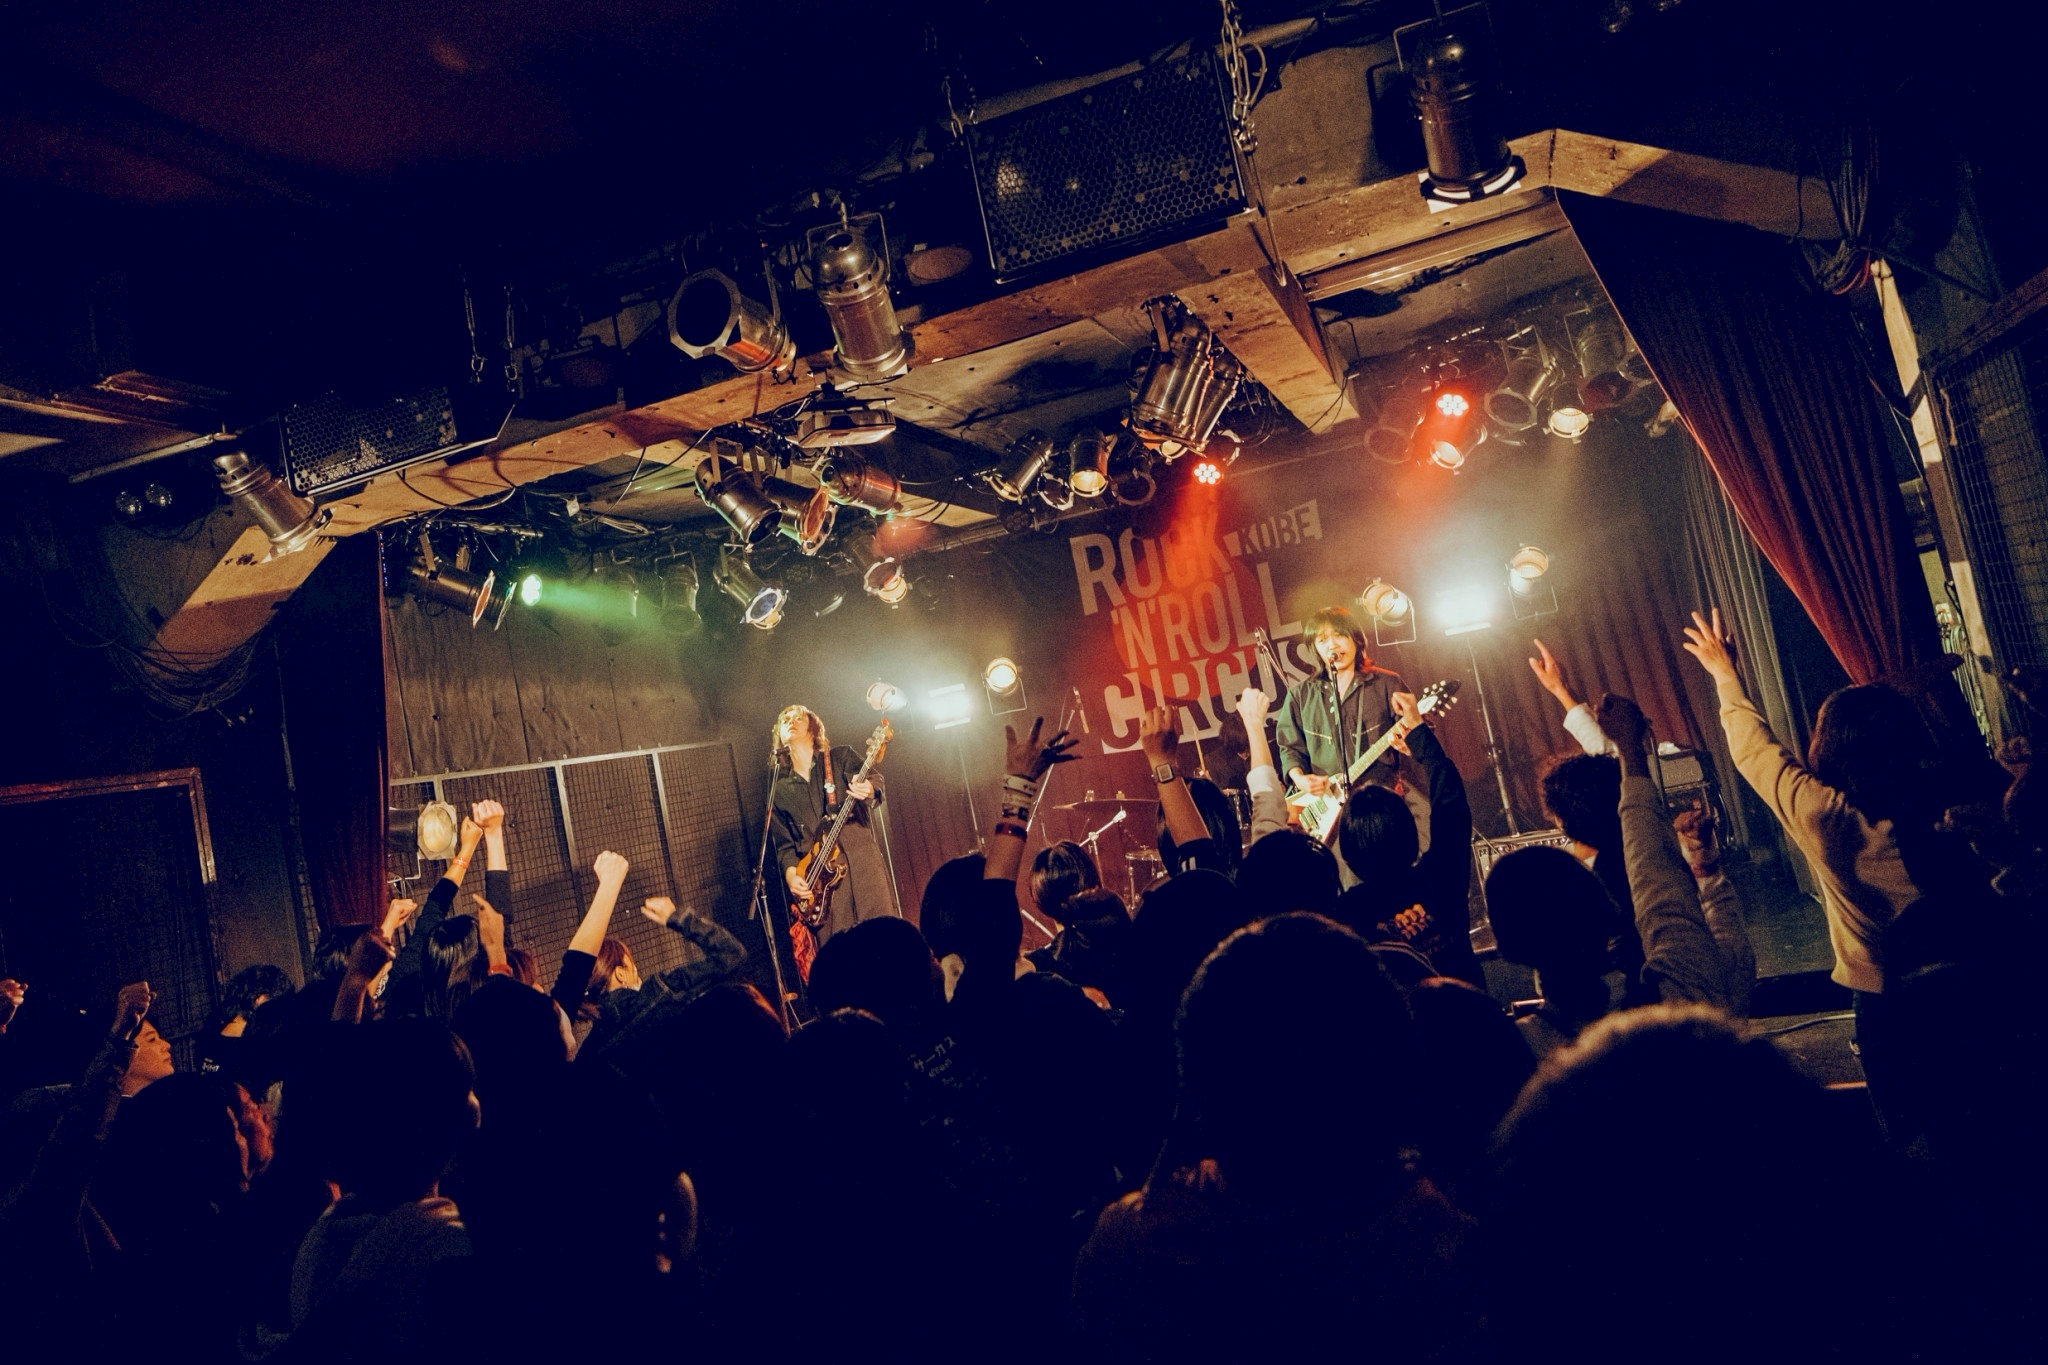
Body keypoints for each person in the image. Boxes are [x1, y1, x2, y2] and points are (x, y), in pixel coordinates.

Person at [768, 704, 891, 978]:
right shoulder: (779, 789)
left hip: (861, 864)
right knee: (842, 962)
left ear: (813, 727)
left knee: (883, 941)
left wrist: (869, 789)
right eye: (785, 719)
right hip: (822, 885)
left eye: (798, 716)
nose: (791, 720)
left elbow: (875, 780)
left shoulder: (839, 757)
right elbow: (785, 846)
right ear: (779, 734)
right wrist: (792, 876)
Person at [1274, 606, 1408, 800]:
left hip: (1382, 798)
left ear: (1356, 639)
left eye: (1339, 635)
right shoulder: (1300, 696)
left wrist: (1407, 742)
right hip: (1329, 801)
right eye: (1322, 640)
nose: (1332, 645)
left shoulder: (1387, 683)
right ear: (1315, 649)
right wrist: (1300, 779)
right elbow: (1289, 748)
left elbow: (1418, 734)